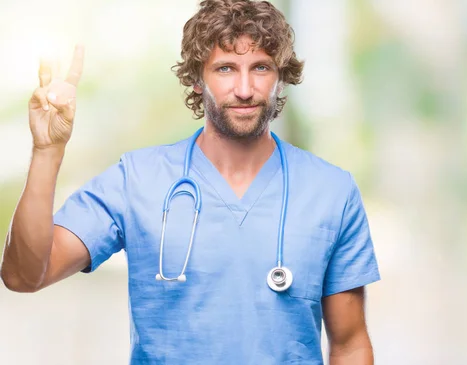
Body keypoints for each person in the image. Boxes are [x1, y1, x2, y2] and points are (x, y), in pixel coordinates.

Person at [1, 0, 380, 364]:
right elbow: (23, 275)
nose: (245, 89)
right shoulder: (137, 180)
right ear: (197, 79)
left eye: (261, 68)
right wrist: (47, 151)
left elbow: (349, 346)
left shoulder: (331, 192)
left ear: (281, 77)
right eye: (226, 68)